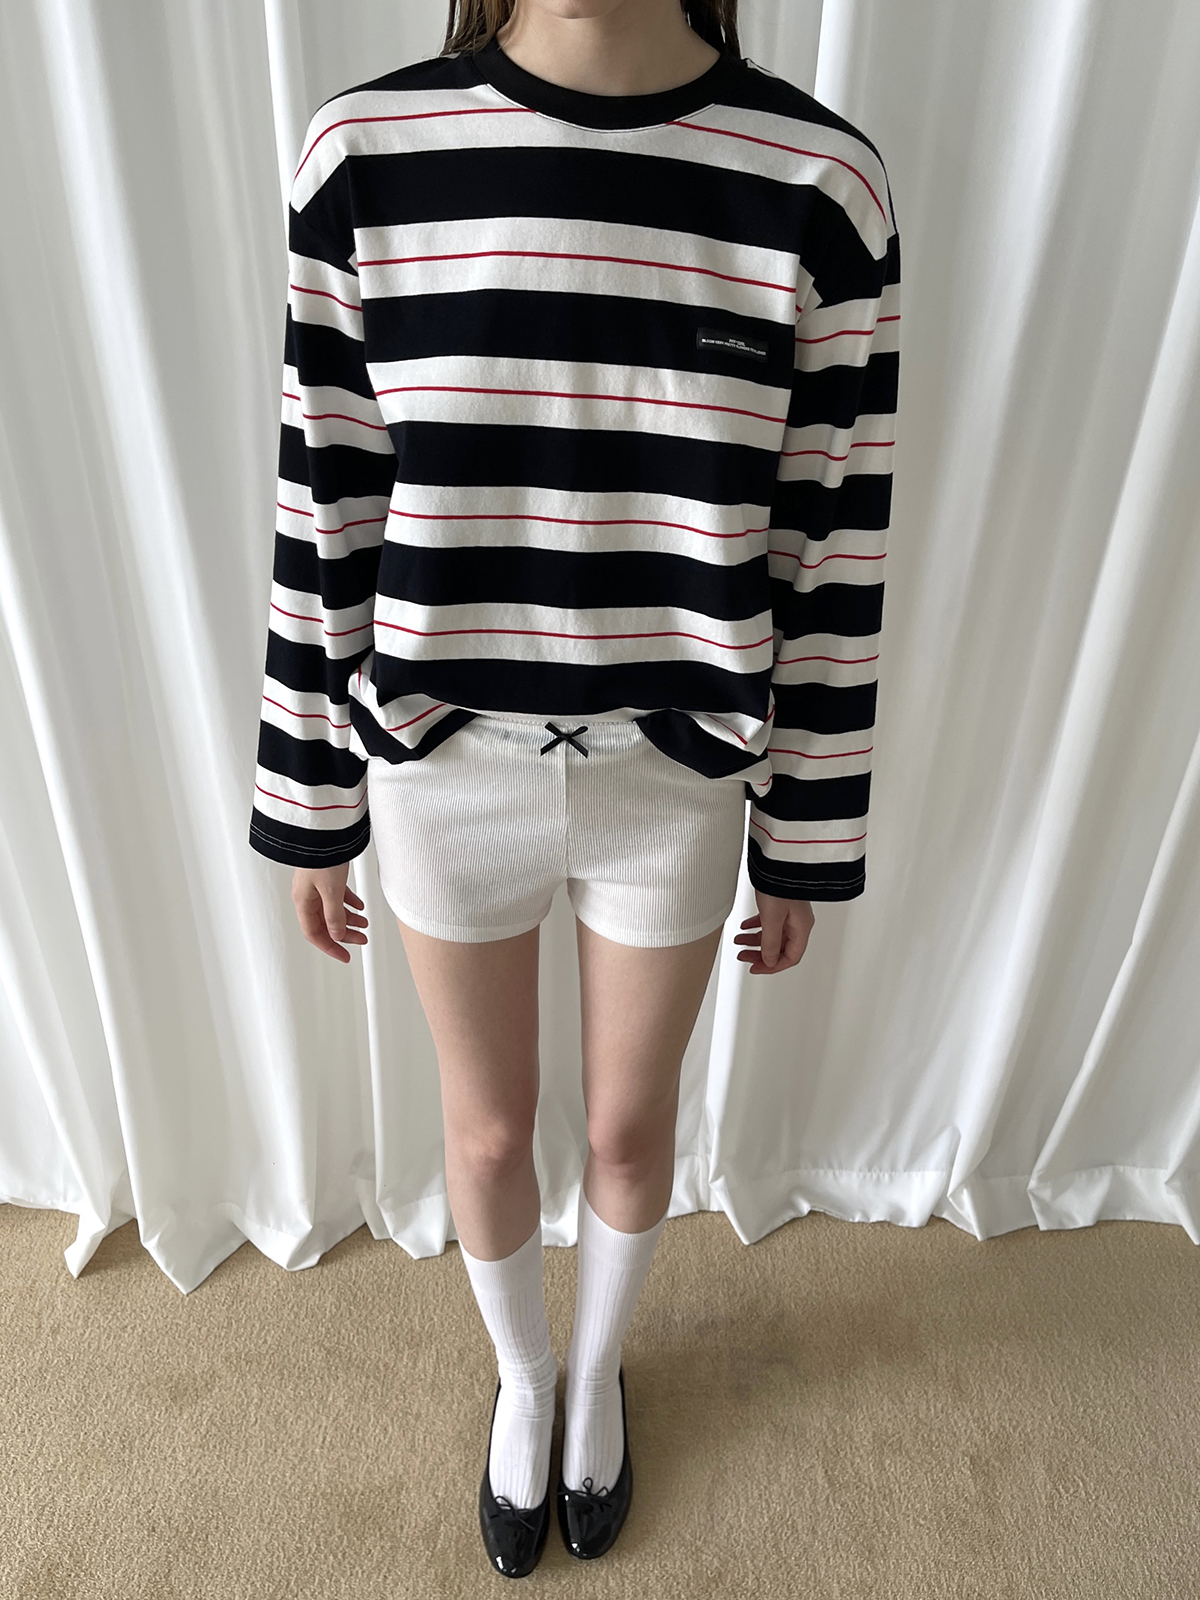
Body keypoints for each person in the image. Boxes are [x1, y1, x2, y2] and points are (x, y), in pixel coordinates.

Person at [249, 0, 899, 1577]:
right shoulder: (367, 155)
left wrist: (805, 834)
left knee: (624, 1125)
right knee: (486, 1137)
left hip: (675, 778)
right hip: (442, 762)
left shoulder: (817, 184)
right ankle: (524, 1377)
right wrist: (309, 794)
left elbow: (833, 539)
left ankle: (599, 1368)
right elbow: (323, 498)